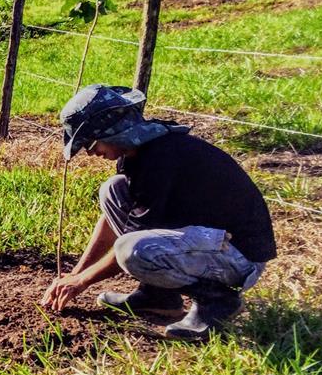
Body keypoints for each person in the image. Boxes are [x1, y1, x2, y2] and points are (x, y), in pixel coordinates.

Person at [40, 85, 276, 341]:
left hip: (238, 256)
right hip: (206, 241)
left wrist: (83, 281)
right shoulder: (136, 156)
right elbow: (113, 221)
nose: (91, 152)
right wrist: (75, 274)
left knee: (134, 251)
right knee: (113, 190)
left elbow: (128, 246)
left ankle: (217, 300)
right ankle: (158, 296)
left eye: (91, 143)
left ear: (114, 131)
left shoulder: (161, 158)